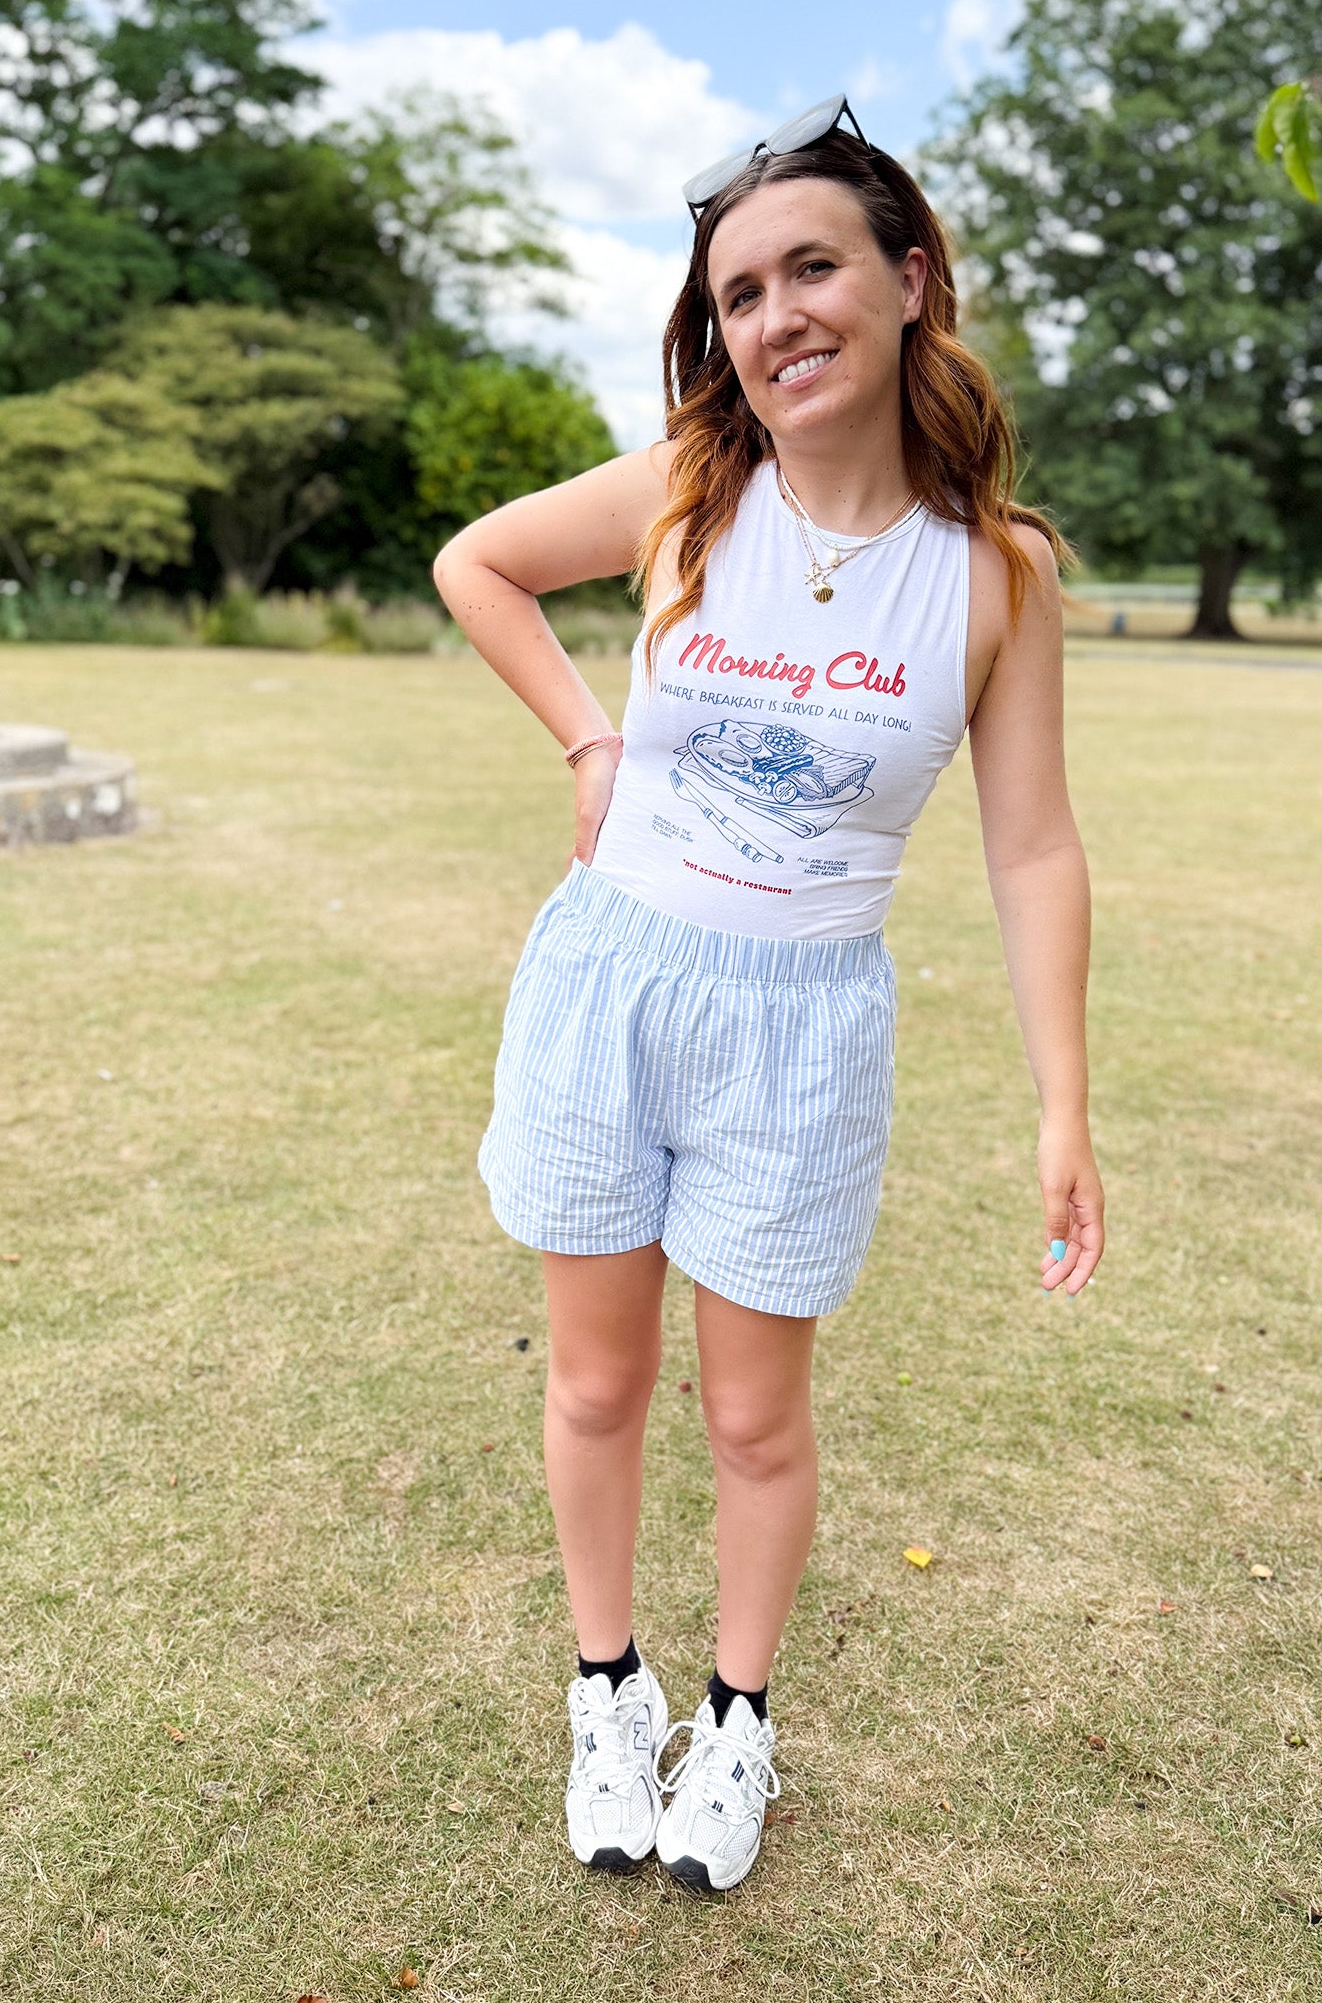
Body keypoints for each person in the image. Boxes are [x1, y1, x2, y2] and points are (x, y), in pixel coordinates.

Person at [432, 96, 1104, 1895]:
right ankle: (607, 1689)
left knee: (751, 1417)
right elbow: (477, 562)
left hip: (801, 1030)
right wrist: (589, 740)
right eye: (739, 293)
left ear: (909, 279)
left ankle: (735, 1722)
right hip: (612, 984)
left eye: (812, 268)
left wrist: (1064, 1106)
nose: (776, 316)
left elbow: (1034, 847)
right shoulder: (688, 489)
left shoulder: (996, 575)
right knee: (596, 1385)